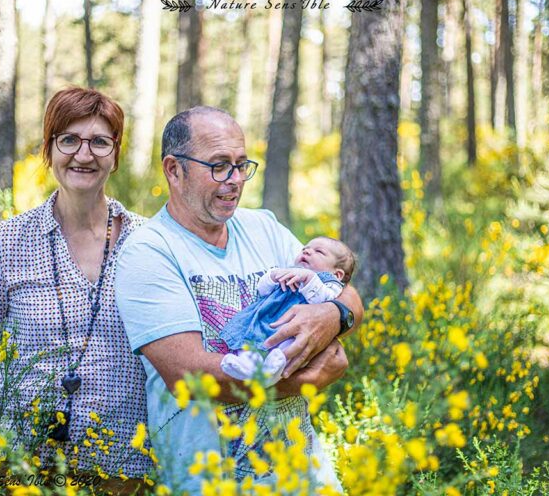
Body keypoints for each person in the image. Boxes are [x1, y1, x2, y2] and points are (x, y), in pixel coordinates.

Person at [115, 106, 363, 492]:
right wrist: (303, 379)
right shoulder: (149, 251)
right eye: (219, 166)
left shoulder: (262, 226)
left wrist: (331, 316)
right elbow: (189, 377)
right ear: (174, 170)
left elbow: (344, 291)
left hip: (303, 473)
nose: (234, 181)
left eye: (241, 165)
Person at [0, 88, 153, 494]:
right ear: (49, 148)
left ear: (115, 154)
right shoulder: (5, 242)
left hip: (125, 467)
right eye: (69, 140)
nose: (84, 155)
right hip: (23, 465)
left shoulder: (149, 242)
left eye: (99, 142)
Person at [220, 237, 356, 387]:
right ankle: (246, 365)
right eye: (305, 249)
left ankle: (274, 370)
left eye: (319, 251)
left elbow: (323, 303)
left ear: (337, 274)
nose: (307, 251)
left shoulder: (330, 284)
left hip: (294, 327)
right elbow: (262, 290)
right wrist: (273, 276)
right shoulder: (290, 269)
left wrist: (309, 278)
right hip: (269, 319)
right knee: (252, 336)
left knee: (293, 345)